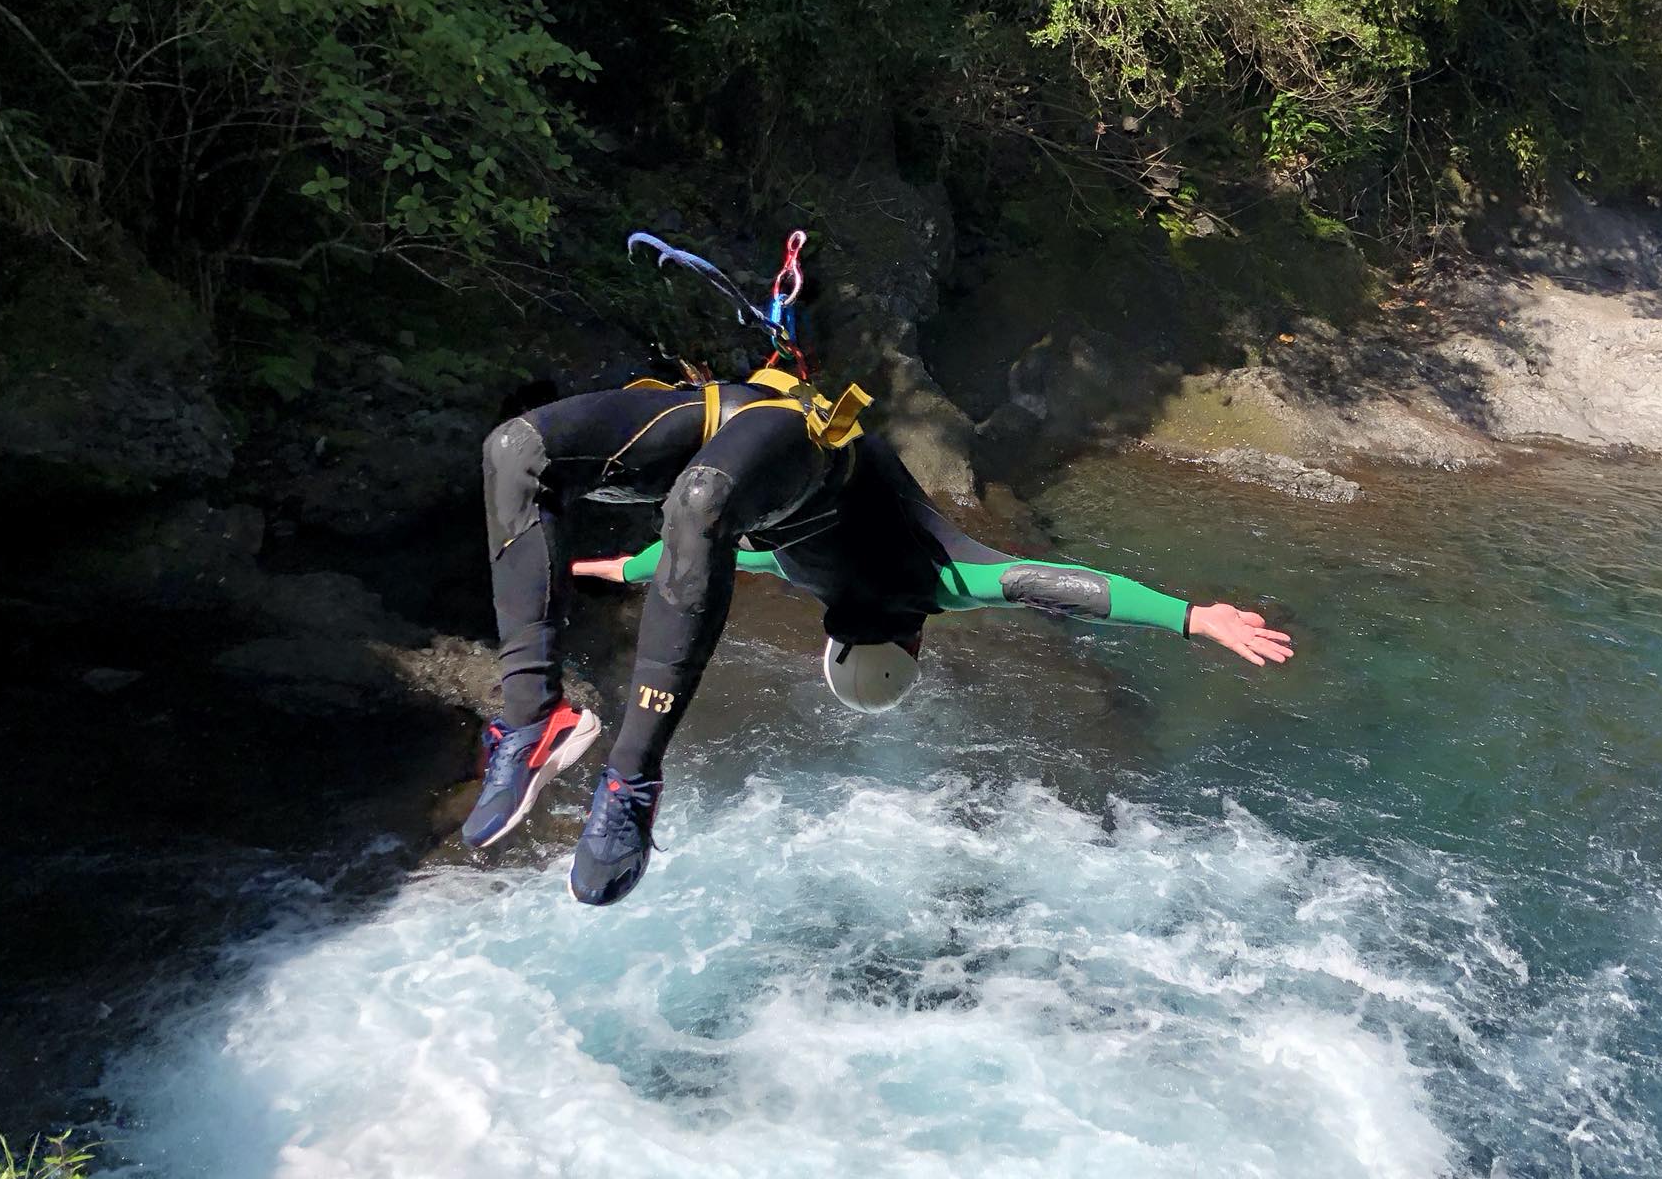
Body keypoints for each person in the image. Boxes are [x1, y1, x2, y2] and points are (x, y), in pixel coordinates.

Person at [465, 365, 1292, 907]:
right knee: (696, 505)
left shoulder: (937, 586)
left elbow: (1063, 586)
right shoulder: (903, 580)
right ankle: (603, 759)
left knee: (517, 451)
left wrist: (1193, 617)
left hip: (738, 415)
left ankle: (561, 728)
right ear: (837, 648)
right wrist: (627, 568)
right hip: (782, 453)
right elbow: (707, 556)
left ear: (913, 648)